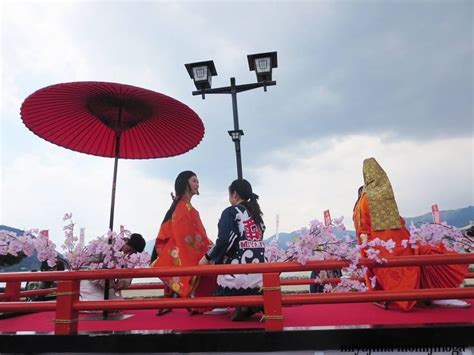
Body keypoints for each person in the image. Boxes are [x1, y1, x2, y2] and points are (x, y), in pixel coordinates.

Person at [353, 157, 469, 310]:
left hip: (373, 247)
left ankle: (428, 295)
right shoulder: (376, 195)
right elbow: (393, 223)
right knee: (429, 254)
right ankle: (439, 294)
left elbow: (364, 228)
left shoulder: (359, 202)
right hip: (392, 242)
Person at [199, 179, 266, 321]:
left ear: (234, 194)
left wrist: (208, 257)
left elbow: (224, 241)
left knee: (217, 264)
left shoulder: (231, 212)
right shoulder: (257, 216)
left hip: (238, 276)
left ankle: (227, 303)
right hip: (262, 277)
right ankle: (249, 305)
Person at [152, 170, 214, 316]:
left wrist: (207, 244)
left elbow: (194, 234)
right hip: (178, 248)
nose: (197, 184)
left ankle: (176, 300)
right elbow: (186, 235)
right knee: (207, 264)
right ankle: (193, 303)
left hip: (179, 247)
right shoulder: (182, 207)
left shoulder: (185, 207)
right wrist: (207, 246)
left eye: (197, 181)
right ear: (186, 184)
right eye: (194, 181)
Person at [80, 233, 146, 301]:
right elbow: (90, 264)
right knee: (97, 304)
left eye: (133, 253)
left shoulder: (130, 257)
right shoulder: (107, 244)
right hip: (92, 282)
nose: (129, 254)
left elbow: (128, 275)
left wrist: (122, 283)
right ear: (126, 242)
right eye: (130, 250)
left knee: (117, 304)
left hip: (109, 286)